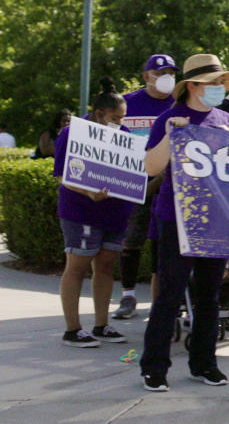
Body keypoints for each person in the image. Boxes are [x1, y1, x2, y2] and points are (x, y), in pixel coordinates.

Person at [140, 54, 229, 392]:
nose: (219, 88)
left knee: (210, 298)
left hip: (217, 221)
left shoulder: (228, 120)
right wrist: (172, 136)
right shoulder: (169, 118)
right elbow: (150, 168)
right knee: (169, 296)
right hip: (178, 220)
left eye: (221, 83)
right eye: (213, 83)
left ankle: (205, 364)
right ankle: (154, 368)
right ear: (192, 86)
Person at [54, 77, 134, 347]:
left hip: (115, 212)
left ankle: (102, 325)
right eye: (115, 117)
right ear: (99, 113)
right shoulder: (71, 133)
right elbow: (61, 175)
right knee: (76, 266)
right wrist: (87, 192)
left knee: (107, 266)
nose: (119, 122)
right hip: (81, 211)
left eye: (123, 118)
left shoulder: (124, 136)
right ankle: (72, 329)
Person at [113, 54, 179, 319]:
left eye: (171, 73)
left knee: (163, 244)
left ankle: (159, 300)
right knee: (131, 241)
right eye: (160, 72)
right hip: (134, 185)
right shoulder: (127, 103)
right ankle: (128, 295)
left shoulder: (181, 102)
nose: (166, 78)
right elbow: (99, 129)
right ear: (146, 76)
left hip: (170, 186)